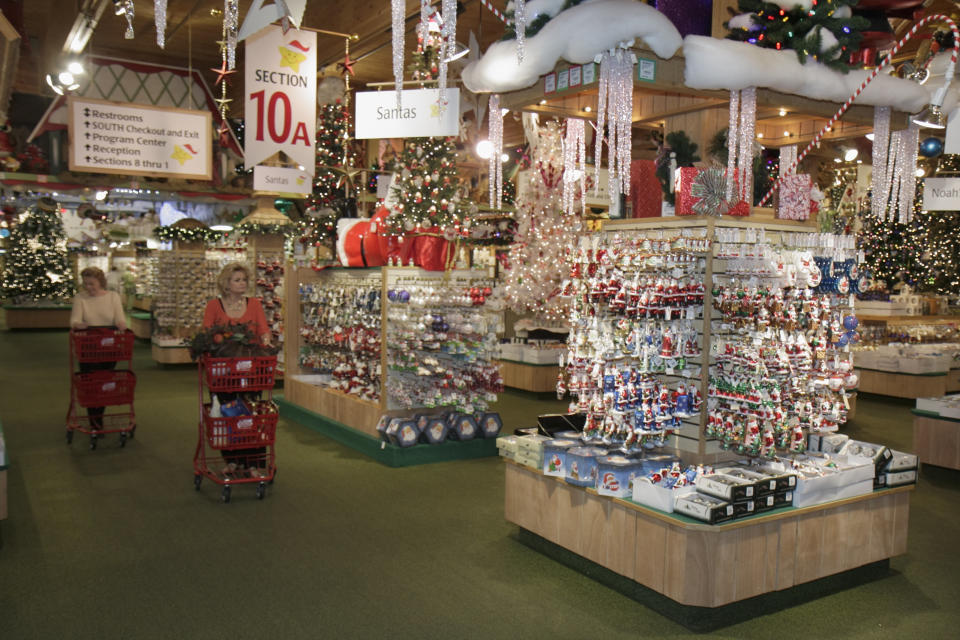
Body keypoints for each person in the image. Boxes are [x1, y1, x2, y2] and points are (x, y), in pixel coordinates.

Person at [202, 262, 271, 478]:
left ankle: (252, 461)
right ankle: (231, 461)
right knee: (227, 413)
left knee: (250, 413)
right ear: (226, 283)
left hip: (249, 368)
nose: (242, 284)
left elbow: (263, 330)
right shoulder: (214, 305)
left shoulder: (255, 304)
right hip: (223, 370)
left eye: (244, 280)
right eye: (237, 280)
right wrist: (222, 341)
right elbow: (206, 332)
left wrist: (265, 340)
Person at [70, 266, 128, 433]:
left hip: (108, 346)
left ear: (100, 282)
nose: (89, 288)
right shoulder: (80, 298)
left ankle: (97, 418)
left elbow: (120, 318)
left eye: (92, 284)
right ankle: (95, 420)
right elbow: (74, 320)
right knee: (90, 383)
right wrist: (78, 324)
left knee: (104, 383)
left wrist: (121, 325)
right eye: (86, 284)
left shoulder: (113, 297)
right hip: (87, 345)